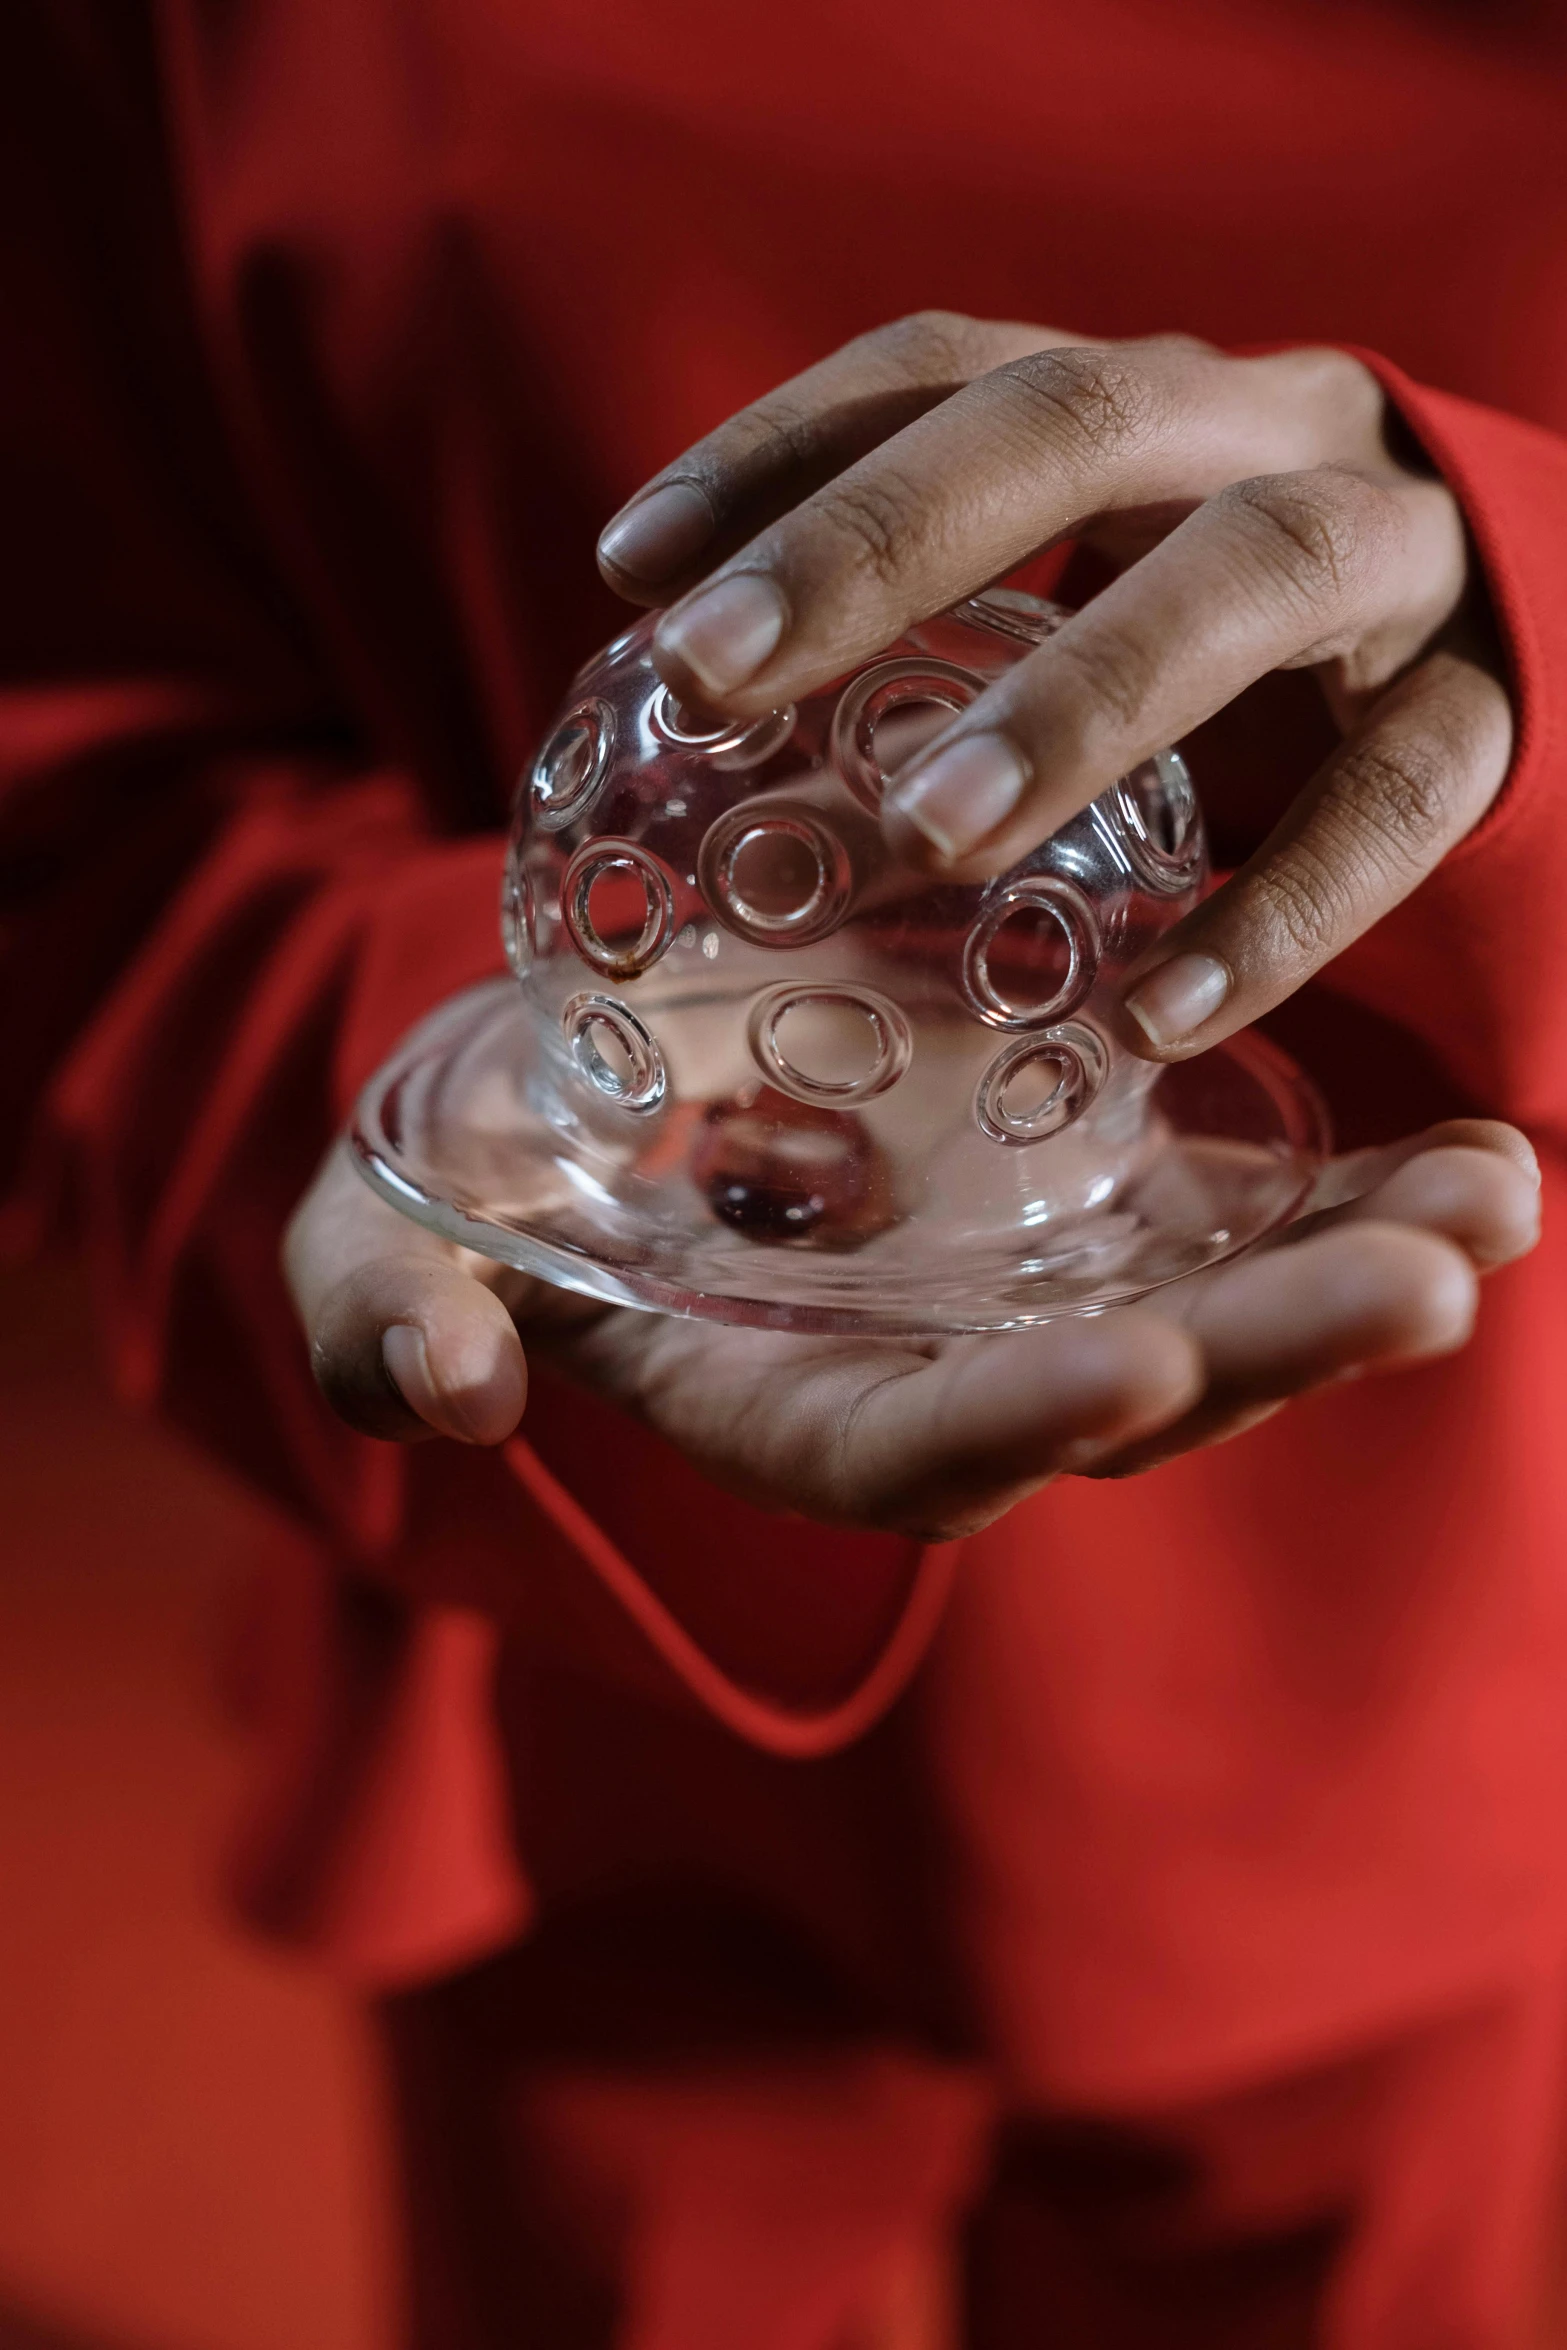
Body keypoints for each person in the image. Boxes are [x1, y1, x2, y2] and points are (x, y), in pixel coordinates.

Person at [4, 0, 1566, 2342]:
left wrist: (1536, 631)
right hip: (580, 1657)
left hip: (1391, 1637)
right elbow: (75, 745)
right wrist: (450, 1098)